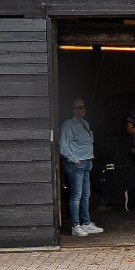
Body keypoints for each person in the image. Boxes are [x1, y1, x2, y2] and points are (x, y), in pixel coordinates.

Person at [59, 99, 103, 236]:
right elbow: (63, 146)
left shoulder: (84, 123)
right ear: (73, 110)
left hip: (87, 162)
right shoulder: (68, 125)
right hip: (76, 164)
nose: (83, 109)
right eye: (79, 107)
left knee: (85, 195)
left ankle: (86, 223)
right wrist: (74, 160)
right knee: (76, 195)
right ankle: (75, 225)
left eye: (84, 106)